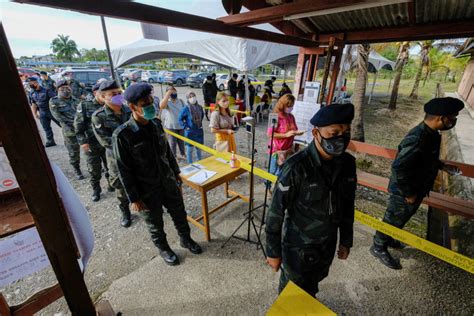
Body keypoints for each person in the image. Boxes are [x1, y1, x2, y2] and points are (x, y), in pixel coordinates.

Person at [265, 103, 356, 297]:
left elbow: (348, 205)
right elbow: (275, 213)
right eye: (334, 133)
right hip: (298, 248)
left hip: (326, 246)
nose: (341, 138)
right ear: (316, 133)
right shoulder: (296, 167)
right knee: (291, 294)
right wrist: (273, 252)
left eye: (346, 132)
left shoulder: (347, 164)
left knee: (313, 285)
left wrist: (346, 240)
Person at [112, 83, 202, 266]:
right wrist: (134, 198)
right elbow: (123, 169)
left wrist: (176, 172)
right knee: (155, 224)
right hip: (146, 189)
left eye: (150, 101)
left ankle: (186, 239)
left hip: (167, 181)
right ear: (132, 107)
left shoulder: (156, 124)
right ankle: (164, 248)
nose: (150, 106)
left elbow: (167, 152)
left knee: (179, 213)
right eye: (144, 104)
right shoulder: (123, 135)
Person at [371, 97, 464, 269]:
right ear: (439, 118)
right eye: (452, 117)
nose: (454, 121)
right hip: (405, 191)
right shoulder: (418, 138)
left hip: (418, 187)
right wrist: (409, 193)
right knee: (392, 218)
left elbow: (424, 160)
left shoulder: (432, 134)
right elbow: (399, 168)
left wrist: (442, 166)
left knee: (401, 219)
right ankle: (378, 246)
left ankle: (390, 237)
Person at [92, 80, 133, 227]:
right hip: (117, 159)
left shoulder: (129, 110)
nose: (118, 96)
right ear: (103, 97)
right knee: (121, 187)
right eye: (113, 94)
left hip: (135, 155)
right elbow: (106, 141)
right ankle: (125, 212)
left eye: (119, 93)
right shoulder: (99, 116)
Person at [75, 82, 114, 202]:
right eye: (100, 93)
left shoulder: (110, 105)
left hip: (106, 143)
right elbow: (78, 126)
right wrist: (83, 142)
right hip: (92, 143)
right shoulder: (85, 105)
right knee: (94, 169)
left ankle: (111, 185)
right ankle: (96, 190)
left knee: (110, 167)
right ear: (95, 93)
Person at [49, 80, 84, 180]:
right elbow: (58, 117)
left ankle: (96, 166)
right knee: (73, 152)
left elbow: (82, 114)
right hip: (70, 132)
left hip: (81, 130)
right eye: (62, 89)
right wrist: (74, 123)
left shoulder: (76, 100)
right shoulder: (54, 101)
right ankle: (77, 169)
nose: (66, 90)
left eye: (68, 88)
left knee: (90, 150)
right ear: (58, 90)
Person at [267, 94, 303, 178]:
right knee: (272, 171)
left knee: (282, 172)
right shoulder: (275, 116)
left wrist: (297, 133)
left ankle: (277, 188)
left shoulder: (291, 116)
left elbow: (293, 130)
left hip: (287, 150)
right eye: (289, 106)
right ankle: (267, 187)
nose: (291, 108)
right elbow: (270, 134)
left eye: (292, 106)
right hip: (276, 150)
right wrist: (285, 135)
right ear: (282, 104)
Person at [27, 77, 59, 147]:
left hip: (51, 111)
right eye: (29, 84)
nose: (30, 85)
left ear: (36, 83)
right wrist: (35, 114)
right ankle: (50, 141)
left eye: (31, 83)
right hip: (42, 112)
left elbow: (56, 100)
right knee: (46, 128)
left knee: (62, 124)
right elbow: (33, 104)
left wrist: (58, 111)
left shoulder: (46, 90)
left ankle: (72, 137)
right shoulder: (31, 93)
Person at [159, 86, 186, 160]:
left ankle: (183, 154)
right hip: (170, 126)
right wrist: (167, 94)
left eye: (174, 91)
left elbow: (185, 111)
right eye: (171, 92)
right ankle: (174, 156)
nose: (173, 93)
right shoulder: (167, 102)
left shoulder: (180, 101)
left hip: (180, 125)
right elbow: (161, 106)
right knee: (172, 143)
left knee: (181, 141)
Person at [179, 91, 205, 163]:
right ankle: (190, 163)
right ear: (187, 98)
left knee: (199, 148)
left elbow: (202, 116)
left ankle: (199, 161)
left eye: (193, 96)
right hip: (190, 132)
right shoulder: (186, 108)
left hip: (199, 130)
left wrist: (198, 123)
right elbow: (180, 119)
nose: (192, 98)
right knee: (189, 149)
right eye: (190, 97)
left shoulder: (199, 107)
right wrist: (185, 126)